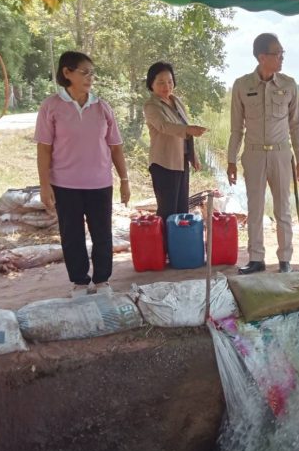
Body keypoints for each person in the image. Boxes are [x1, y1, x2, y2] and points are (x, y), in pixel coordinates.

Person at [35, 51, 130, 297]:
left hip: (99, 183)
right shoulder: (51, 106)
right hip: (65, 185)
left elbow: (116, 147)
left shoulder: (102, 107)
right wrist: (45, 186)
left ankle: (102, 281)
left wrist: (124, 180)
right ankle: (79, 281)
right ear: (67, 73)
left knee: (102, 234)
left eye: (92, 73)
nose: (90, 77)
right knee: (72, 236)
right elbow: (44, 150)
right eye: (84, 72)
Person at [227, 33, 299, 274]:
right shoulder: (242, 85)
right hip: (253, 154)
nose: (281, 58)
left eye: (283, 53)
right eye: (277, 53)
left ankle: (285, 260)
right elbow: (236, 127)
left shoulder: (289, 85)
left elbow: (296, 125)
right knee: (255, 209)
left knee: (282, 208)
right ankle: (256, 259)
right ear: (262, 57)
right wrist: (230, 160)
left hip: (281, 154)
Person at [143, 62, 207, 225]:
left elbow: (185, 129)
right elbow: (165, 126)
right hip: (164, 163)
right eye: (161, 82)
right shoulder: (151, 105)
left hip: (181, 161)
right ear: (151, 83)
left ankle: (178, 247)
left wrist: (193, 156)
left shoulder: (176, 101)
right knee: (167, 211)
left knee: (181, 209)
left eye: (170, 81)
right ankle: (163, 248)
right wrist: (189, 129)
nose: (166, 86)